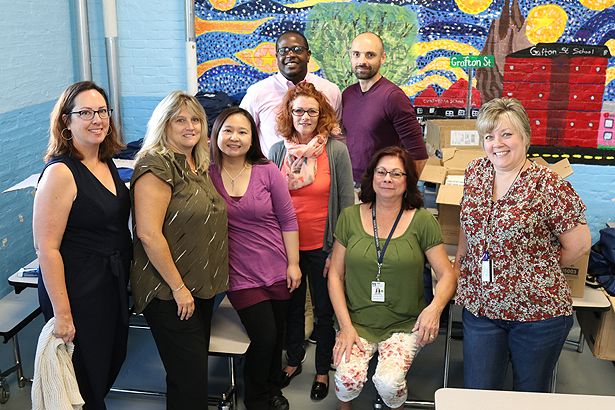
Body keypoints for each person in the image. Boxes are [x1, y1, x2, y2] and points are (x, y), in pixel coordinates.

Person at [453, 97, 591, 392]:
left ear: (525, 137)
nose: (497, 143)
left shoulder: (549, 185)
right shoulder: (476, 173)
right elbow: (468, 224)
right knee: (478, 393)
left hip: (537, 314)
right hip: (481, 309)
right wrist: (461, 265)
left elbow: (580, 244)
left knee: (528, 396)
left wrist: (534, 269)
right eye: (489, 136)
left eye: (506, 134)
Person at [328, 146, 457, 410]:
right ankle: (345, 405)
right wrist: (345, 326)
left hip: (404, 323)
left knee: (389, 383)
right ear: (372, 177)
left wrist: (434, 309)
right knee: (346, 380)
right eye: (382, 172)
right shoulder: (350, 217)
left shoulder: (422, 221)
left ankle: (394, 405)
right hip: (356, 321)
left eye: (396, 174)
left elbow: (447, 274)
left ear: (408, 180)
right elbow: (335, 274)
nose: (388, 179)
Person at [33, 81, 132, 410]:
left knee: (106, 365)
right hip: (78, 291)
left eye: (102, 111)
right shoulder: (60, 173)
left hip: (110, 284)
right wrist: (62, 315)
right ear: (66, 121)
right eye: (85, 112)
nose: (97, 119)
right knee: (83, 383)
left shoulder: (106, 163)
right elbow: (46, 249)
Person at [130, 91, 228, 409]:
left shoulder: (196, 163)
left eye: (196, 119)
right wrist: (178, 287)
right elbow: (147, 233)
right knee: (191, 381)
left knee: (186, 376)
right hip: (169, 291)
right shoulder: (156, 164)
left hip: (197, 287)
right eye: (180, 120)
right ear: (164, 125)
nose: (190, 126)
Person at [209, 107, 301, 410]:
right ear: (217, 134)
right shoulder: (204, 173)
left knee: (276, 337)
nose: (235, 138)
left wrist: (293, 263)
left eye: (242, 132)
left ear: (252, 138)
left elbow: (288, 220)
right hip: (239, 274)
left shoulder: (267, 171)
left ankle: (272, 386)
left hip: (277, 267)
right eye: (228, 130)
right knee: (264, 337)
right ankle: (257, 398)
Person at [270, 82, 355, 401]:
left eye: (311, 111)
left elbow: (347, 206)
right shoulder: (278, 151)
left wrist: (338, 251)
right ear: (288, 114)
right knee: (291, 308)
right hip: (286, 248)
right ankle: (293, 361)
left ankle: (322, 369)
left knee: (323, 311)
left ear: (321, 115)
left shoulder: (335, 151)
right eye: (298, 110)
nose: (304, 116)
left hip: (323, 247)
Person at [342, 32, 428, 183]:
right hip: (351, 184)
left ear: (383, 58)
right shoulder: (347, 95)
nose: (362, 61)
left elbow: (418, 154)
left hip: (383, 188)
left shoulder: (393, 97)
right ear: (350, 57)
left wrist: (404, 192)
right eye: (356, 54)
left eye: (370, 55)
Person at [241, 30, 342, 156]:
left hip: (320, 171)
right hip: (273, 172)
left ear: (308, 55)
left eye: (297, 49)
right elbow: (242, 132)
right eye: (283, 50)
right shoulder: (258, 92)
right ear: (276, 57)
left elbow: (335, 134)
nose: (290, 54)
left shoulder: (330, 90)